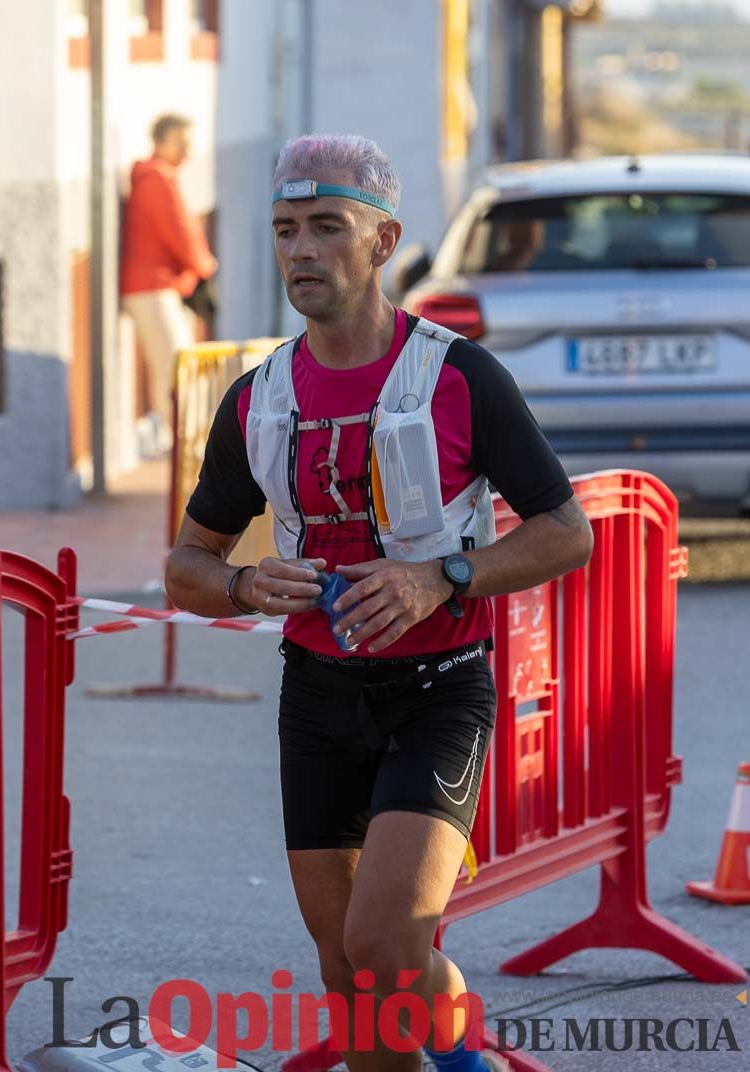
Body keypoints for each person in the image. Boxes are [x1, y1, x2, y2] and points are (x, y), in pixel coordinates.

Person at [165, 134, 593, 1072]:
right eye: (285, 231)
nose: (302, 251)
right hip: (317, 699)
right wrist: (242, 585)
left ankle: (461, 1052)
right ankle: (457, 1054)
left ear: (383, 239)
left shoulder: (459, 376)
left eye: (327, 227)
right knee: (345, 970)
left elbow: (567, 531)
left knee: (388, 953)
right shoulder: (257, 398)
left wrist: (441, 575)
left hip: (439, 690)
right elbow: (184, 566)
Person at [120, 113, 217, 448]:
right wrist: (203, 268)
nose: (189, 152)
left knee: (171, 369)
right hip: (151, 288)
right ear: (164, 142)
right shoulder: (157, 179)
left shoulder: (158, 177)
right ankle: (186, 447)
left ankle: (184, 445)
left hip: (155, 287)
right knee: (180, 367)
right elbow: (180, 233)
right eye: (183, 144)